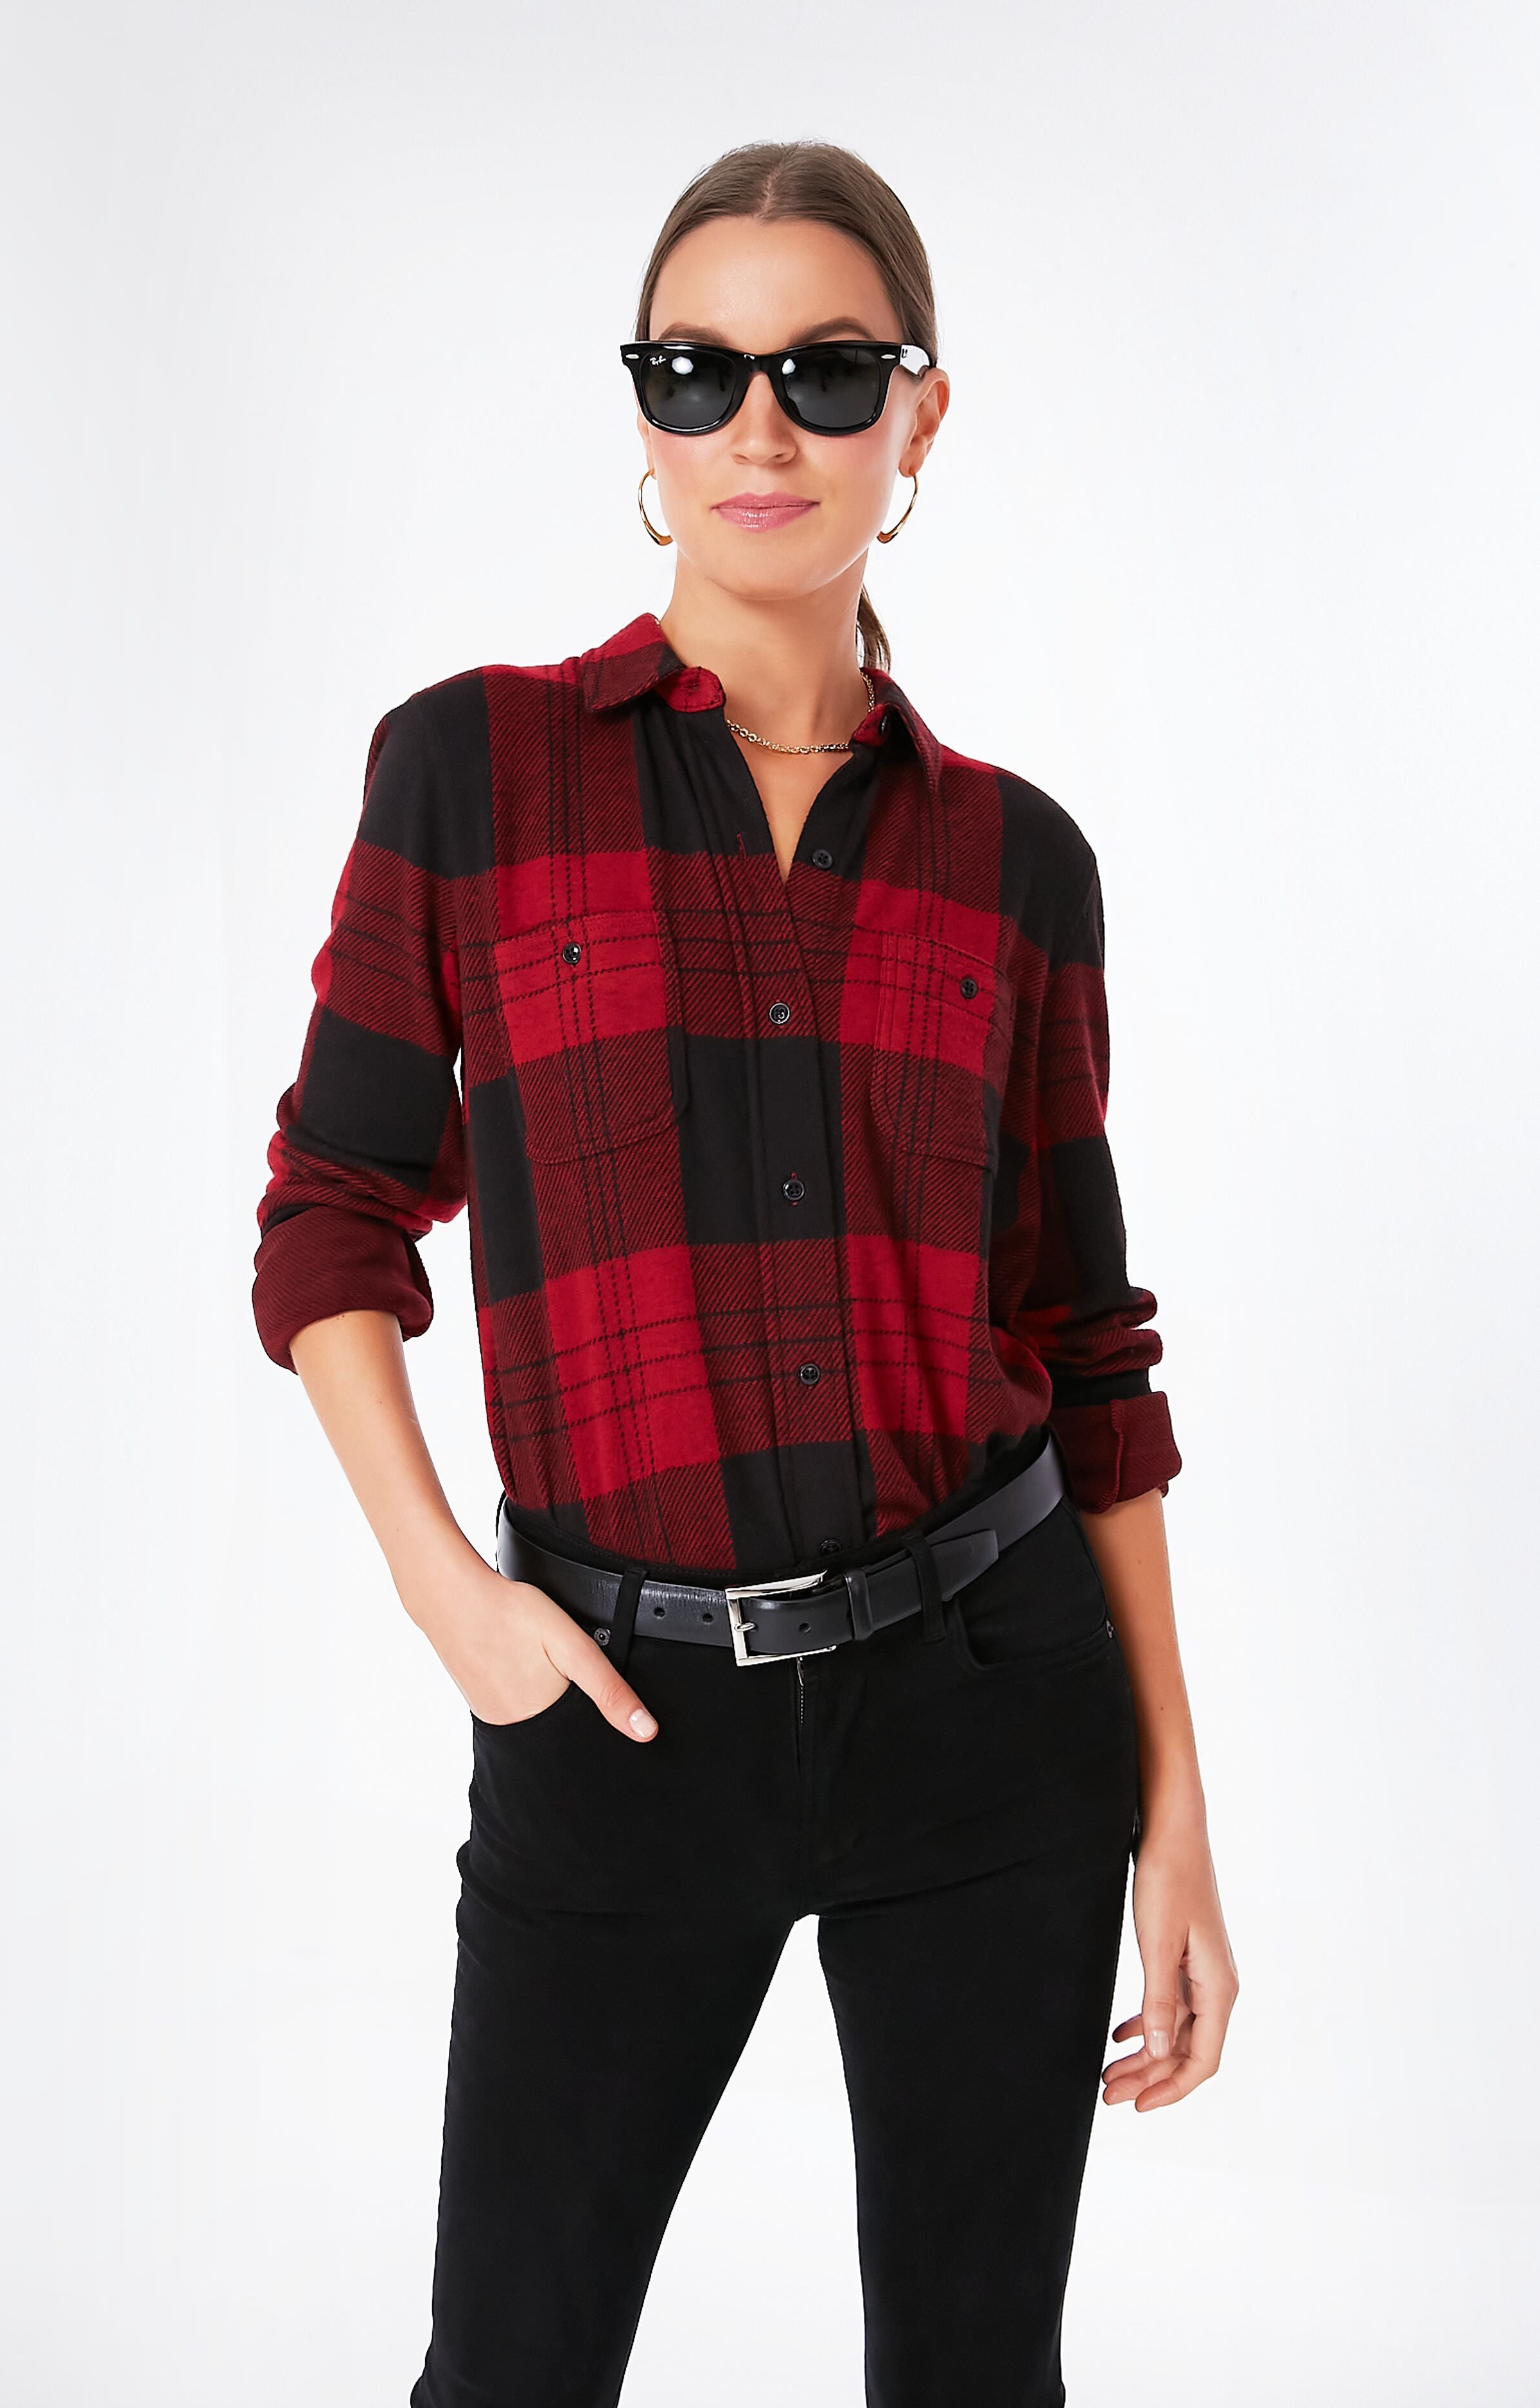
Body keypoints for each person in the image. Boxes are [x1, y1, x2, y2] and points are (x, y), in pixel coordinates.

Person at [250, 137, 1238, 2408]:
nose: (758, 427)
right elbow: (333, 1208)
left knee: (975, 2378)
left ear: (919, 416)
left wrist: (1174, 1803)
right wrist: (446, 1592)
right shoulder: (474, 771)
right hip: (613, 1710)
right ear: (643, 411)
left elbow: (1086, 1353)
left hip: (990, 1708)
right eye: (695, 372)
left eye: (825, 371)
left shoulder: (1015, 861)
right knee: (510, 2367)